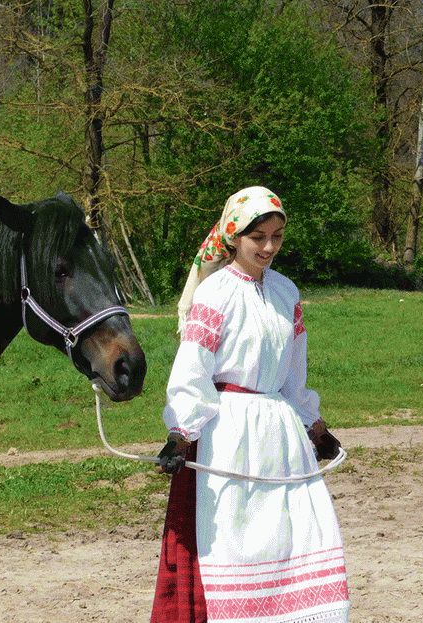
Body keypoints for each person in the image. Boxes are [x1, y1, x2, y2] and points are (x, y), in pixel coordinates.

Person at [151, 186, 349, 623]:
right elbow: (192, 370)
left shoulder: (285, 292)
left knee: (290, 539)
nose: (269, 247)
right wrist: (180, 434)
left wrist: (316, 429)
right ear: (234, 237)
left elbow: (294, 373)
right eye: (258, 236)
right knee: (231, 543)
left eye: (277, 236)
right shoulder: (214, 294)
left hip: (278, 436)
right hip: (228, 435)